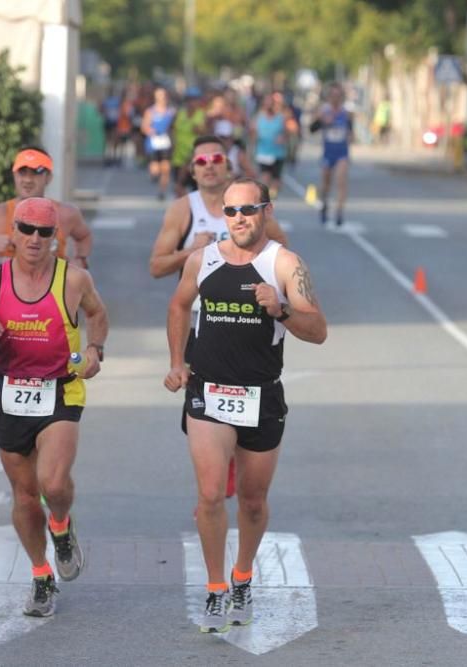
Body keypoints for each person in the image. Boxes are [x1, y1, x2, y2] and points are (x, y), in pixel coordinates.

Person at [163, 177, 327, 633]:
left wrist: (282, 310)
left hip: (261, 396)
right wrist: (178, 362)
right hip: (208, 393)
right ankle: (215, 588)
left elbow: (319, 330)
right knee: (211, 495)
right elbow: (179, 307)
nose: (238, 219)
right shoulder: (203, 259)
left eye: (248, 211)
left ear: (266, 211)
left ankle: (242, 577)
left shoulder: (285, 264)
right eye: (231, 212)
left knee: (252, 502)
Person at [0, 197, 109, 617]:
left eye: (45, 232)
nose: (35, 239)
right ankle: (41, 575)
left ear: (56, 238)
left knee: (52, 484)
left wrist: (95, 349)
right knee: (23, 496)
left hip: (61, 389)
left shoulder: (73, 280)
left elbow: (98, 315)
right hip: (10, 394)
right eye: (27, 229)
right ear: (14, 233)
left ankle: (61, 525)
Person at [150, 137, 287, 503]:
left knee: (240, 398)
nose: (209, 165)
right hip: (200, 322)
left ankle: (227, 469)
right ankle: (214, 483)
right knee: (206, 409)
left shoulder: (250, 209)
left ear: (229, 166)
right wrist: (189, 252)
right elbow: (156, 266)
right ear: (192, 170)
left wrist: (278, 299)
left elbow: (283, 256)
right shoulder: (183, 209)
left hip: (248, 322)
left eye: (216, 159)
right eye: (201, 161)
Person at [0, 147, 92, 270]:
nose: (28, 180)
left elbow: (84, 236)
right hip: (9, 297)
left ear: (48, 177)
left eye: (35, 172)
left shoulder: (66, 213)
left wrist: (81, 259)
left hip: (54, 296)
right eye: (22, 172)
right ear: (14, 175)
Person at [311, 82, 354, 227]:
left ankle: (339, 212)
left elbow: (351, 132)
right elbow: (312, 129)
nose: (336, 98)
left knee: (341, 182)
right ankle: (324, 206)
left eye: (338, 96)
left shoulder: (346, 113)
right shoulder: (323, 111)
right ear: (329, 97)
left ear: (342, 97)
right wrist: (321, 121)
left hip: (342, 152)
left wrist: (350, 137)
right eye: (333, 95)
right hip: (328, 152)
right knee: (326, 183)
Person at [170, 88, 208, 197]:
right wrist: (172, 142)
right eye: (189, 100)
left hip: (195, 157)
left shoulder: (202, 115)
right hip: (179, 157)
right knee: (179, 187)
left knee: (196, 188)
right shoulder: (179, 114)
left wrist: (201, 130)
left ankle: (195, 210)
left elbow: (208, 133)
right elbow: (171, 128)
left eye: (195, 100)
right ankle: (183, 209)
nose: (192, 103)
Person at [251, 92, 289, 200]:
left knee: (276, 181)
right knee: (265, 177)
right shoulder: (258, 118)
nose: (268, 105)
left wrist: (283, 138)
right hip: (263, 153)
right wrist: (255, 137)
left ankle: (272, 197)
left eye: (271, 103)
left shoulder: (281, 118)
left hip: (277, 154)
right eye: (266, 103)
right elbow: (252, 134)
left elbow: (287, 133)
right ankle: (266, 199)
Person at [141, 87, 177, 200]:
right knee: (155, 169)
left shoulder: (171, 111)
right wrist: (150, 131)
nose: (162, 98)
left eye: (163, 96)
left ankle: (162, 191)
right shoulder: (150, 111)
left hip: (166, 142)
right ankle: (153, 175)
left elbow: (174, 127)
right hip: (153, 143)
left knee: (166, 169)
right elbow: (144, 127)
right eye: (159, 96)